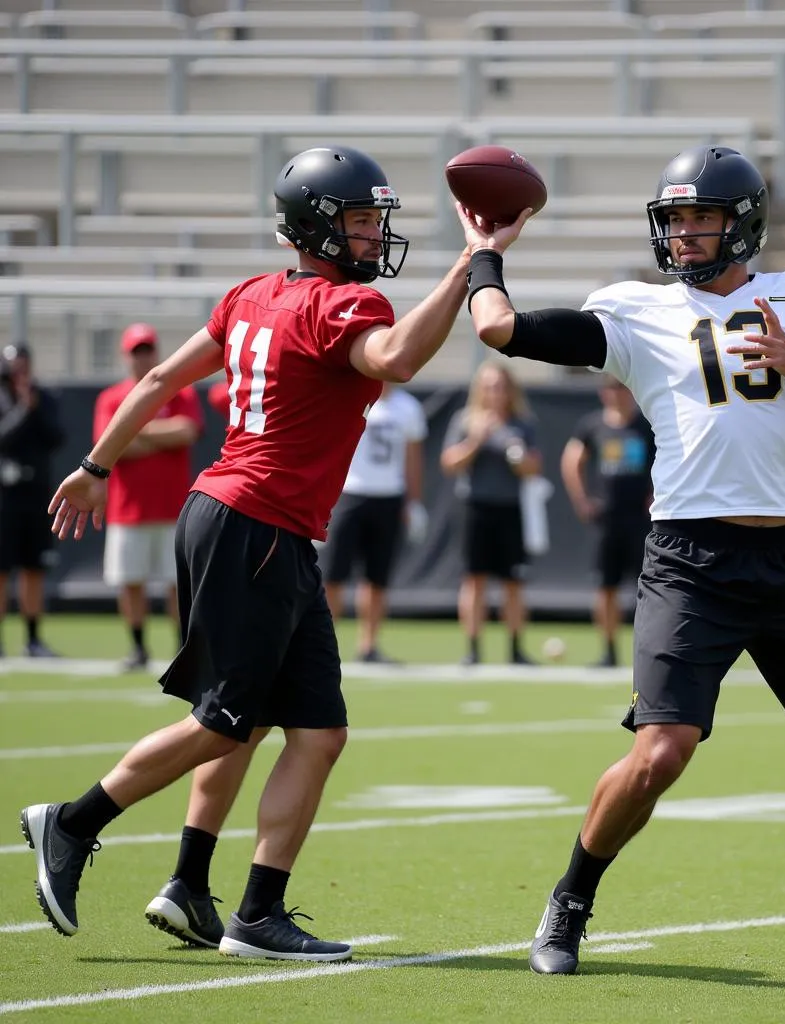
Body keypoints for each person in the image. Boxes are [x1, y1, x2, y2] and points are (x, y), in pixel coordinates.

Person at [454, 144, 785, 978]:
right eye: (675, 220)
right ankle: (570, 900)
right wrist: (486, 252)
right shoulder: (637, 311)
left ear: (743, 224)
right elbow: (497, 328)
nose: (686, 235)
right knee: (662, 751)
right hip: (692, 560)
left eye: (702, 219)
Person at [22, 144, 472, 961]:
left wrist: (96, 467)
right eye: (364, 222)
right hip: (254, 524)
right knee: (226, 721)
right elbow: (398, 359)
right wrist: (472, 268)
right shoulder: (346, 309)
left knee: (313, 730)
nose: (376, 237)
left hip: (253, 524)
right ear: (320, 229)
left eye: (377, 222)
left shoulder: (249, 296)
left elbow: (160, 378)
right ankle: (73, 821)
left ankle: (240, 905)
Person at [94, 323, 204, 671]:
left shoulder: (180, 393)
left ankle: (181, 647)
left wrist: (132, 426)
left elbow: (186, 432)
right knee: (130, 582)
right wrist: (154, 435)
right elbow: (112, 447)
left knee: (178, 584)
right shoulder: (111, 397)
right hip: (128, 509)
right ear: (126, 356)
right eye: (137, 351)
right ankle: (138, 647)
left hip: (173, 507)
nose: (143, 358)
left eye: (148, 350)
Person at [440, 361, 542, 666]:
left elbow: (534, 469)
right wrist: (476, 441)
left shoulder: (522, 423)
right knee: (474, 580)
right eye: (489, 386)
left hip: (509, 507)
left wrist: (517, 453)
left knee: (513, 582)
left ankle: (515, 649)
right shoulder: (465, 420)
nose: (495, 392)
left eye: (500, 386)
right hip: (475, 506)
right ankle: (473, 649)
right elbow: (449, 463)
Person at [320, 382, 428, 663]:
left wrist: (413, 502)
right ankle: (322, 644)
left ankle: (369, 646)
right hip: (349, 493)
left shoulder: (408, 407)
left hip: (389, 496)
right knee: (334, 576)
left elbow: (413, 458)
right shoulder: (350, 394)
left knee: (377, 577)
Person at [561, 374, 655, 668]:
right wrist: (582, 500)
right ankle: (608, 651)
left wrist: (655, 495)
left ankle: (650, 651)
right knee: (605, 586)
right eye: (610, 387)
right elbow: (572, 460)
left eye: (621, 387)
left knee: (650, 588)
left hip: (641, 520)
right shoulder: (592, 425)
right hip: (607, 519)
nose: (616, 393)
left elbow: (670, 458)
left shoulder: (646, 425)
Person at [0, 343, 64, 658]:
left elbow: (56, 437)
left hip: (36, 495)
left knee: (33, 568)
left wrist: (34, 407)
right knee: (1, 570)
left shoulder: (44, 398)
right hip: (4, 498)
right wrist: (23, 409)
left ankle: (33, 639)